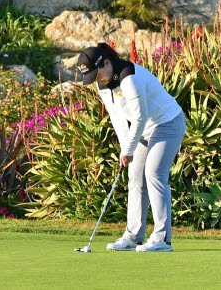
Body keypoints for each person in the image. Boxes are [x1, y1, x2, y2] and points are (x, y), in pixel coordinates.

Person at [76, 43, 186, 252]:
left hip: (168, 123)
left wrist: (128, 150)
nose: (96, 80)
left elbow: (140, 117)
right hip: (145, 129)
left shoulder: (130, 78)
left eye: (97, 74)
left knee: (154, 174)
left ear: (106, 63)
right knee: (135, 177)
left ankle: (163, 239)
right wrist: (126, 149)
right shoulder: (103, 84)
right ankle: (134, 235)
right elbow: (118, 118)